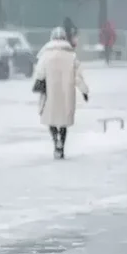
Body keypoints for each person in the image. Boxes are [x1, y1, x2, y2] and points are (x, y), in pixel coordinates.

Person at [33, 27, 89, 159]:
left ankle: (55, 141)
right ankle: (62, 146)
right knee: (63, 121)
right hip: (66, 94)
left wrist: (39, 84)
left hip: (50, 93)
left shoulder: (45, 55)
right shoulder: (71, 56)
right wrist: (84, 91)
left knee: (51, 119)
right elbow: (78, 77)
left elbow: (40, 73)